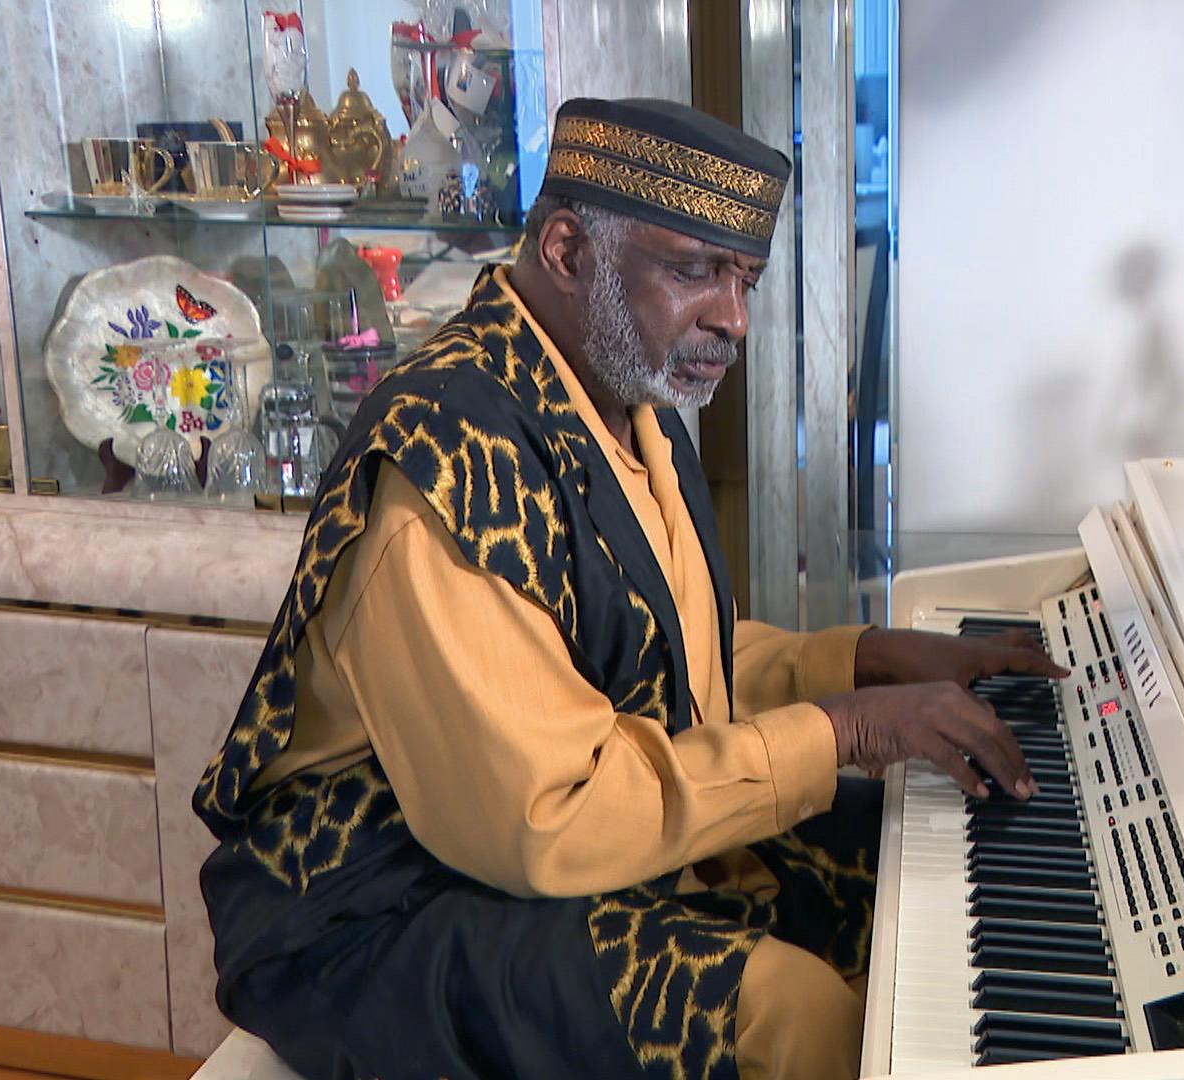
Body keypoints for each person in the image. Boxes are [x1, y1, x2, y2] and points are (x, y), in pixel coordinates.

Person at [192, 97, 1064, 1080]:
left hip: (521, 843)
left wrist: (858, 659)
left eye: (745, 280)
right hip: (376, 906)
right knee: (798, 1014)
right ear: (567, 250)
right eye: (695, 271)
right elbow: (544, 816)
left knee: (926, 873)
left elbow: (660, 655)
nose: (732, 319)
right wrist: (846, 729)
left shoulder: (622, 395)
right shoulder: (447, 458)